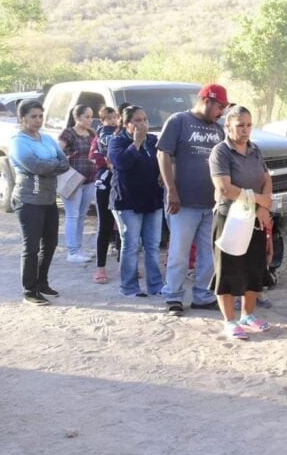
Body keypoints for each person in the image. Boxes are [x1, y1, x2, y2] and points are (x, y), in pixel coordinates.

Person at [157, 84, 228, 316]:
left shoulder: (218, 130)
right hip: (183, 202)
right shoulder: (178, 121)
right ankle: (173, 296)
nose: (222, 112)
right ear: (208, 101)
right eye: (221, 107)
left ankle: (202, 295)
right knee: (179, 251)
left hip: (211, 202)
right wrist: (171, 190)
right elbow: (163, 153)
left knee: (208, 253)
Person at [209, 106, 273, 339]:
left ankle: (248, 314)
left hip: (254, 218)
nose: (245, 130)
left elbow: (266, 178)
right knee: (228, 268)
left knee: (254, 267)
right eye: (240, 125)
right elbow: (225, 188)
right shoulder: (221, 152)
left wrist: (264, 206)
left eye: (248, 125)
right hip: (230, 218)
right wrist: (259, 200)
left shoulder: (255, 150)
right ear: (228, 126)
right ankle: (230, 320)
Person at [9, 100, 70, 305]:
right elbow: (35, 166)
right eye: (33, 116)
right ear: (22, 118)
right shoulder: (18, 141)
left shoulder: (47, 139)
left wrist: (47, 166)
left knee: (50, 243)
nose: (37, 120)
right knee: (31, 246)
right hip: (28, 199)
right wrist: (50, 166)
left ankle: (42, 282)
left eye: (40, 116)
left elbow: (65, 163)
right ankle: (29, 290)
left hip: (48, 199)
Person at [108, 105, 164, 298]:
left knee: (153, 245)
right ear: (126, 124)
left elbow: (163, 163)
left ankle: (156, 286)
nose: (143, 124)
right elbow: (122, 163)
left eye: (145, 119)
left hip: (152, 199)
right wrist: (136, 144)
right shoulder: (117, 142)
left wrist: (163, 176)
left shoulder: (154, 141)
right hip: (128, 201)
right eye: (137, 120)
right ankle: (129, 287)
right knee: (131, 245)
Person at [58, 105, 98, 263]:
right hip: (73, 180)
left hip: (89, 180)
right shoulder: (68, 133)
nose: (90, 120)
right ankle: (72, 251)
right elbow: (58, 152)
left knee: (81, 215)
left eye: (91, 116)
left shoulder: (91, 133)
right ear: (77, 117)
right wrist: (66, 162)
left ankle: (78, 248)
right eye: (87, 116)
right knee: (72, 215)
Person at [90, 106, 119, 284]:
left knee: (125, 229)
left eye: (115, 117)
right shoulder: (100, 136)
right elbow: (93, 156)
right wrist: (108, 162)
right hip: (105, 184)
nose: (113, 121)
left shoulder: (122, 134)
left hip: (123, 184)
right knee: (105, 226)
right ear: (102, 120)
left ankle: (126, 266)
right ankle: (100, 268)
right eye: (109, 118)